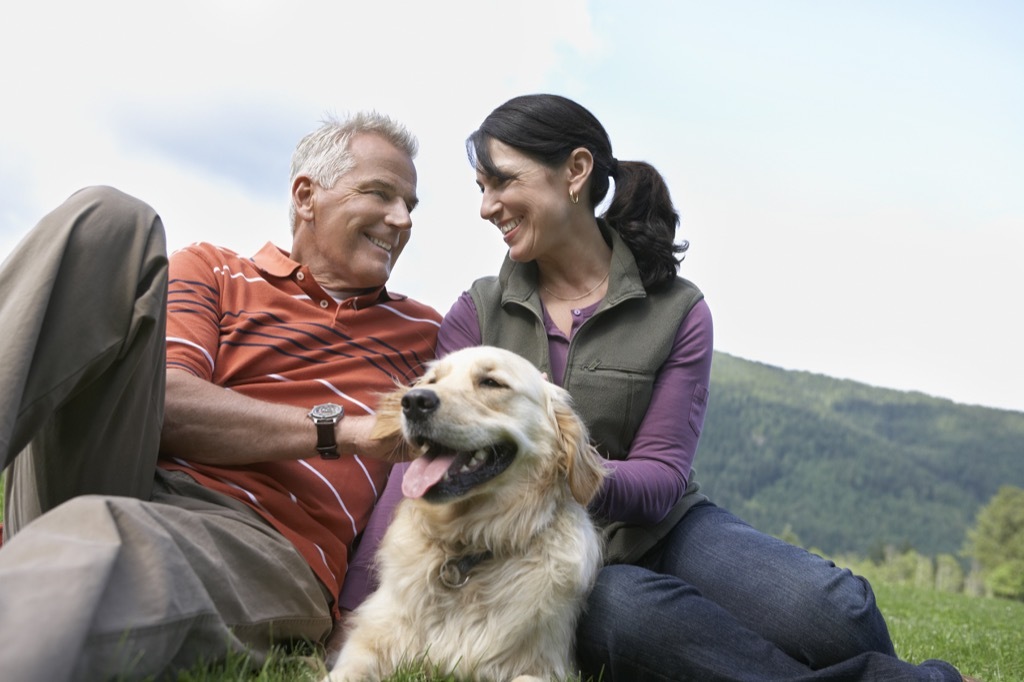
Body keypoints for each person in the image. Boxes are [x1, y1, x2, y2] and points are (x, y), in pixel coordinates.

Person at [351, 94, 973, 681]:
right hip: (535, 550)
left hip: (665, 528)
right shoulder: (478, 310)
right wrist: (359, 605)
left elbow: (662, 475)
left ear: (575, 172)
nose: (487, 206)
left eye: (504, 182)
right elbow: (422, 464)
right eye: (482, 189)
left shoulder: (677, 309)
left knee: (832, 613)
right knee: (634, 617)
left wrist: (562, 463)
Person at [0, 111, 441, 681]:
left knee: (103, 541)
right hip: (123, 471)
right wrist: (344, 430)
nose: (401, 219)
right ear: (307, 196)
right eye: (380, 194)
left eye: (410, 205)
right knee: (109, 217)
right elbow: (171, 407)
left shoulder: (427, 334)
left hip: (258, 538)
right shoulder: (211, 270)